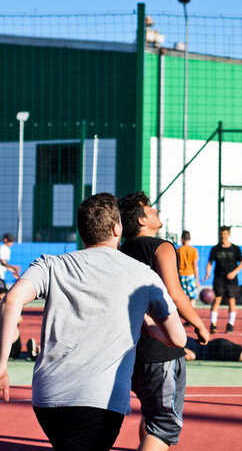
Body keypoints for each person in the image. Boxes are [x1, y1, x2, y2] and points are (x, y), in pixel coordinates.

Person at [0, 193, 186, 451]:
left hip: (47, 398)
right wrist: (150, 327)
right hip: (100, 400)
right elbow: (178, 338)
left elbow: (11, 301)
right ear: (117, 228)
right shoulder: (143, 274)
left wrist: (1, 364)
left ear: (81, 231)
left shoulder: (51, 264)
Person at [118, 192, 211, 451]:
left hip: (130, 348)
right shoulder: (161, 247)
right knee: (163, 427)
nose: (155, 210)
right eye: (149, 209)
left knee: (151, 415)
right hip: (160, 349)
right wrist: (199, 324)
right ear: (140, 220)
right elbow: (175, 293)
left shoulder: (120, 251)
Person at [204, 226, 242, 334]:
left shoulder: (235, 248)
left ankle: (230, 325)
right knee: (217, 299)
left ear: (228, 235)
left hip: (231, 279)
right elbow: (210, 262)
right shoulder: (215, 249)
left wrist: (234, 273)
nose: (223, 236)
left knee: (231, 300)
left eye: (225, 234)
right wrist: (207, 273)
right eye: (221, 234)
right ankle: (213, 324)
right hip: (219, 278)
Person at [178, 231, 200, 308]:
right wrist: (197, 280)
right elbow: (195, 265)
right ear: (190, 238)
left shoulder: (178, 250)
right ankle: (192, 311)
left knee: (184, 297)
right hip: (191, 275)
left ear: (182, 239)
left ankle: (185, 312)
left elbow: (177, 264)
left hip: (181, 275)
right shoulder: (194, 250)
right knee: (192, 297)